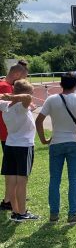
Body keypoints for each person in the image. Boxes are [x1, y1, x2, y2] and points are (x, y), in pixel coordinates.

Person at [35, 72, 76, 223]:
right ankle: (73, 213)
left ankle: (54, 213)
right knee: (74, 179)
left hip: (56, 142)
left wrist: (43, 139)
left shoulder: (51, 99)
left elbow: (38, 121)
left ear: (61, 84)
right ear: (75, 85)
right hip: (74, 142)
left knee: (55, 179)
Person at [0, 80, 38, 221]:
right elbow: (27, 99)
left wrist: (9, 97)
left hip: (10, 145)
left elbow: (25, 101)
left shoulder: (5, 105)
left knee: (12, 181)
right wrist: (13, 96)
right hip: (24, 146)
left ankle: (16, 212)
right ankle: (22, 213)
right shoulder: (21, 105)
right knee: (21, 181)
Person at [0, 64, 28, 211]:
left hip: (8, 132)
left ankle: (11, 198)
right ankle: (9, 199)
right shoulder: (5, 87)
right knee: (13, 170)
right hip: (9, 133)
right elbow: (14, 105)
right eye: (24, 77)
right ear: (17, 74)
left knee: (11, 169)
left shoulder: (3, 84)